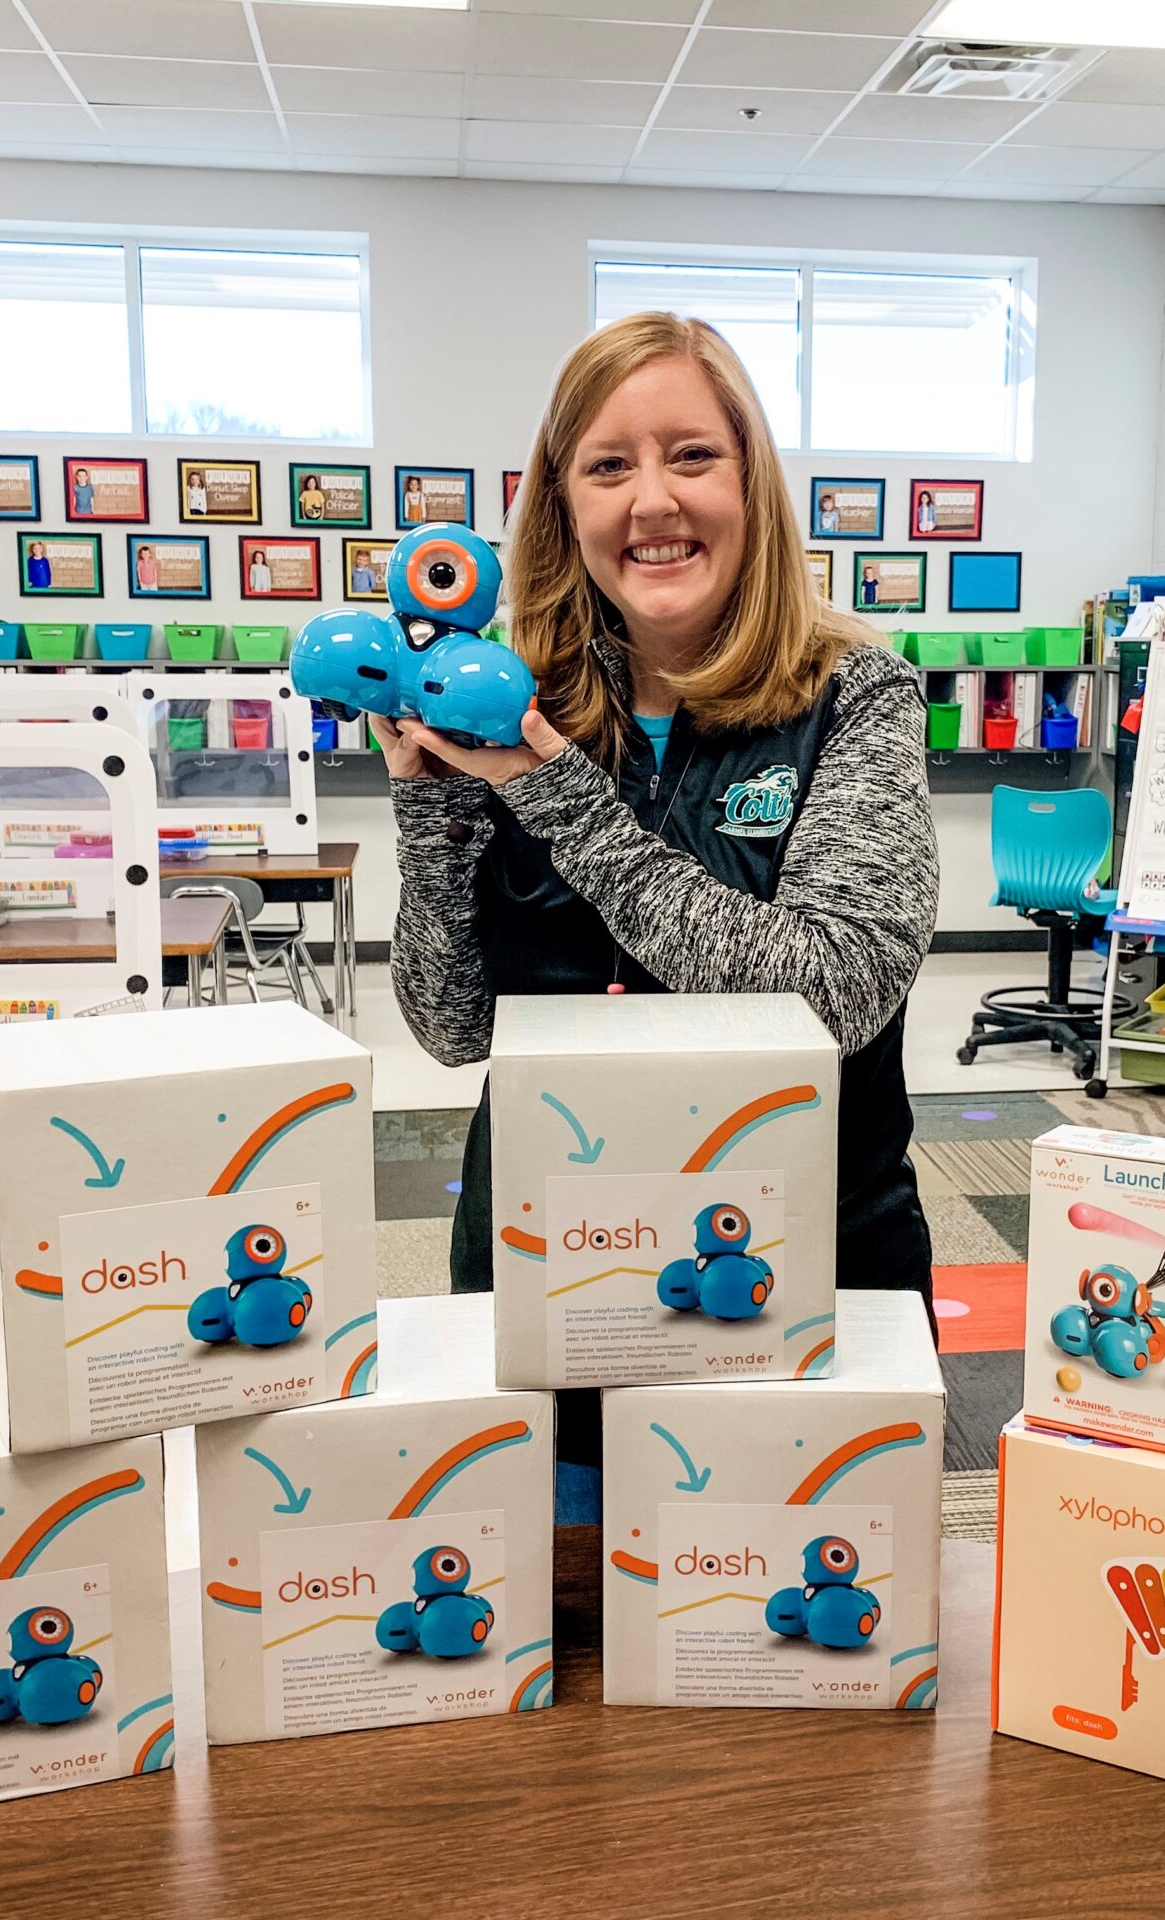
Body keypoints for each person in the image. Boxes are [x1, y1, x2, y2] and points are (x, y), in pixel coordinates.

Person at [380, 310, 939, 1507]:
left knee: (794, 1656)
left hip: (797, 1273)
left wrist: (558, 800)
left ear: (752, 482)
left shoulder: (858, 694)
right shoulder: (500, 699)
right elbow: (448, 1028)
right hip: (552, 1272)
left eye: (691, 455)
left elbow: (831, 994)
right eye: (608, 464)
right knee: (560, 1648)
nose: (652, 501)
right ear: (561, 504)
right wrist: (429, 811)